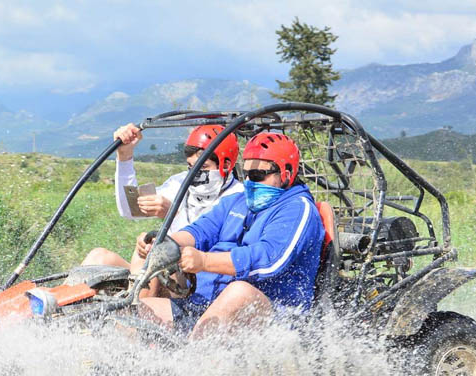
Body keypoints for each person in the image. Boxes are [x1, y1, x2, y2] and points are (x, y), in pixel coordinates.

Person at [137, 131, 325, 339]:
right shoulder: (238, 201)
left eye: (257, 176)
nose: (249, 183)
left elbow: (268, 259)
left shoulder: (298, 209)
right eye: (246, 175)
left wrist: (204, 261)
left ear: (286, 174)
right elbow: (201, 230)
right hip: (206, 306)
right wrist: (164, 243)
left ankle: (191, 362)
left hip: (273, 317)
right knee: (139, 312)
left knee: (239, 292)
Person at [81, 123, 243, 274]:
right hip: (161, 270)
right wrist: (124, 156)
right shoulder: (180, 182)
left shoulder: (238, 198)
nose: (194, 174)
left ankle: (136, 298)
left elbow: (212, 249)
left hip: (194, 279)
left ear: (226, 165)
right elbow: (130, 211)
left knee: (150, 258)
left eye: (203, 167)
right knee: (99, 257)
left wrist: (172, 214)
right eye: (191, 167)